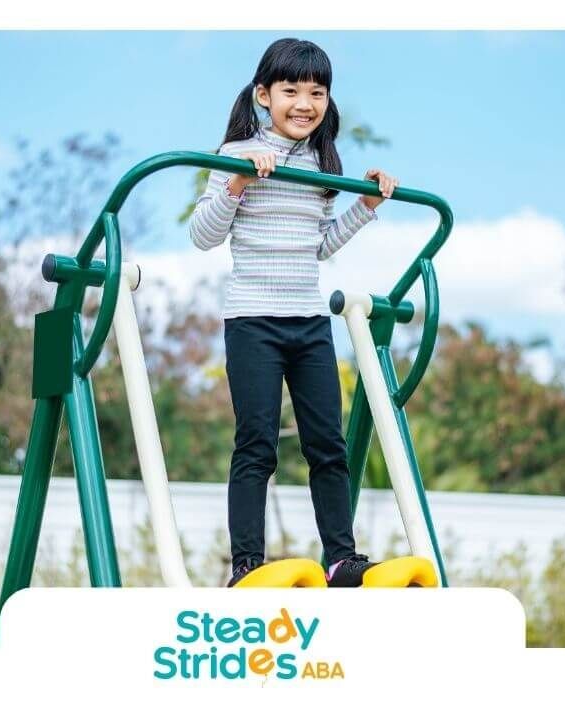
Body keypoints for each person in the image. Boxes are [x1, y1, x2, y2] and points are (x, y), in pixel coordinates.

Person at [188, 38, 399, 588]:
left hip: (308, 323)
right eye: (290, 91)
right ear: (263, 95)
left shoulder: (324, 162)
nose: (304, 103)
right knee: (256, 444)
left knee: (327, 446)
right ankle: (245, 566)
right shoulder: (234, 151)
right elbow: (202, 235)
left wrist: (365, 207)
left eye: (316, 92)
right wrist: (238, 181)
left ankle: (341, 560)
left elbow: (320, 246)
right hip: (253, 321)